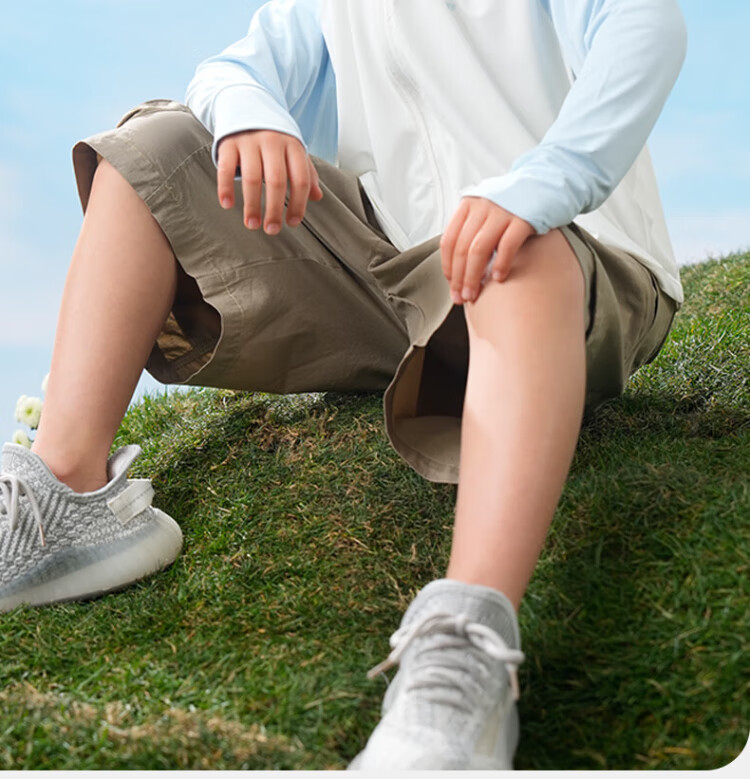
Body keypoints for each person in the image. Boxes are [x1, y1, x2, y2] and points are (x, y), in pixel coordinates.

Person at [0, 0, 687, 769]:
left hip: (573, 261)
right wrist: (253, 116)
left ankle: (464, 653)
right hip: (396, 268)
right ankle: (65, 496)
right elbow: (232, 70)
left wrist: (547, 179)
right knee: (151, 151)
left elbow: (646, 29)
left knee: (514, 256)